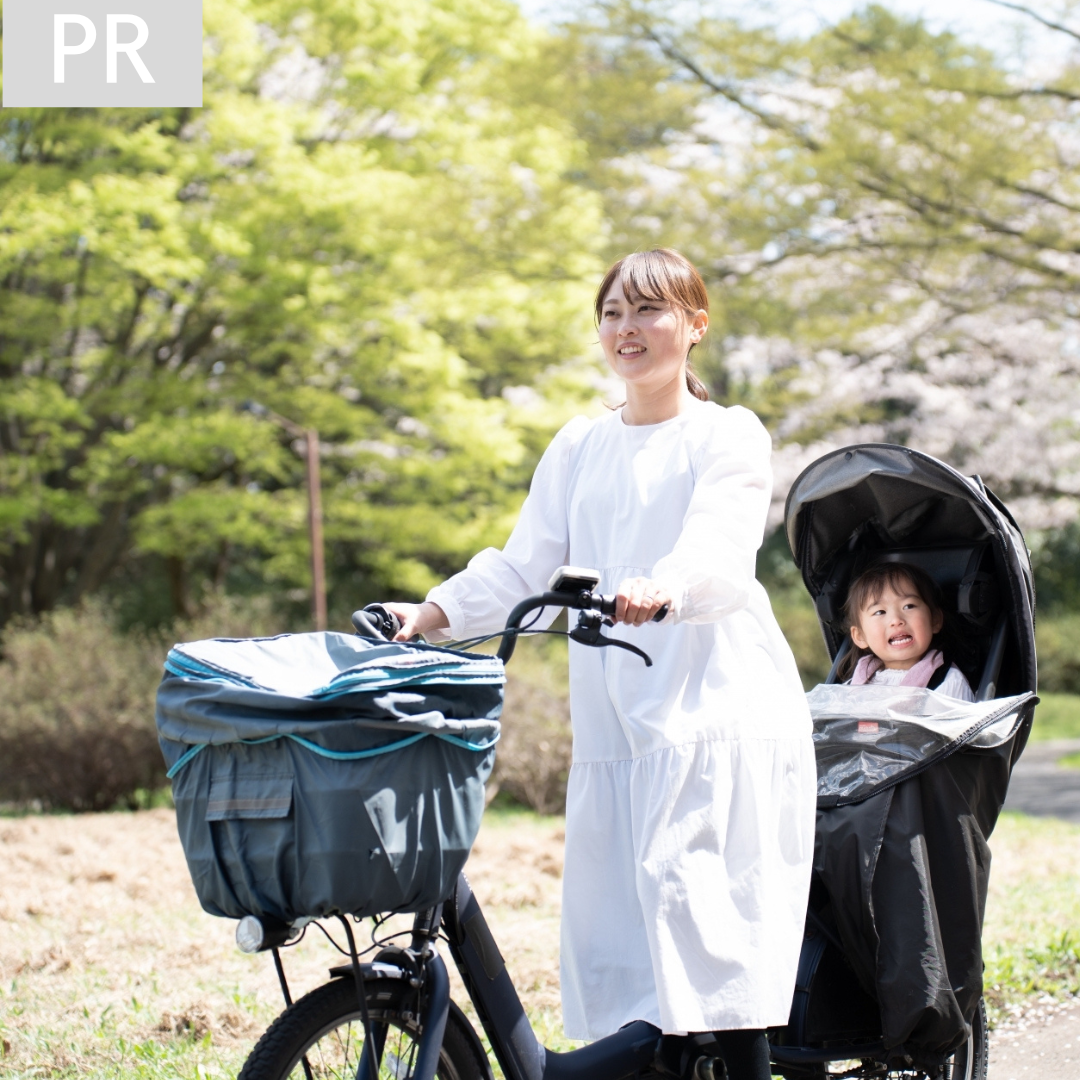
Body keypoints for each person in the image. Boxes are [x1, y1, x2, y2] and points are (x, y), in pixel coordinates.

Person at [384, 248, 815, 1080]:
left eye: (650, 311)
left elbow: (720, 551)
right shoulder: (580, 445)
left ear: (694, 327)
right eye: (614, 312)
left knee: (704, 932)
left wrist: (663, 586)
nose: (628, 329)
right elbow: (524, 565)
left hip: (715, 711)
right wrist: (430, 613)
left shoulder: (725, 433)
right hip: (619, 719)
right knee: (628, 936)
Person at [838, 562, 976, 701]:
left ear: (934, 620)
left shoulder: (946, 682)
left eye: (908, 606)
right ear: (860, 636)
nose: (896, 620)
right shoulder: (857, 683)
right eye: (880, 612)